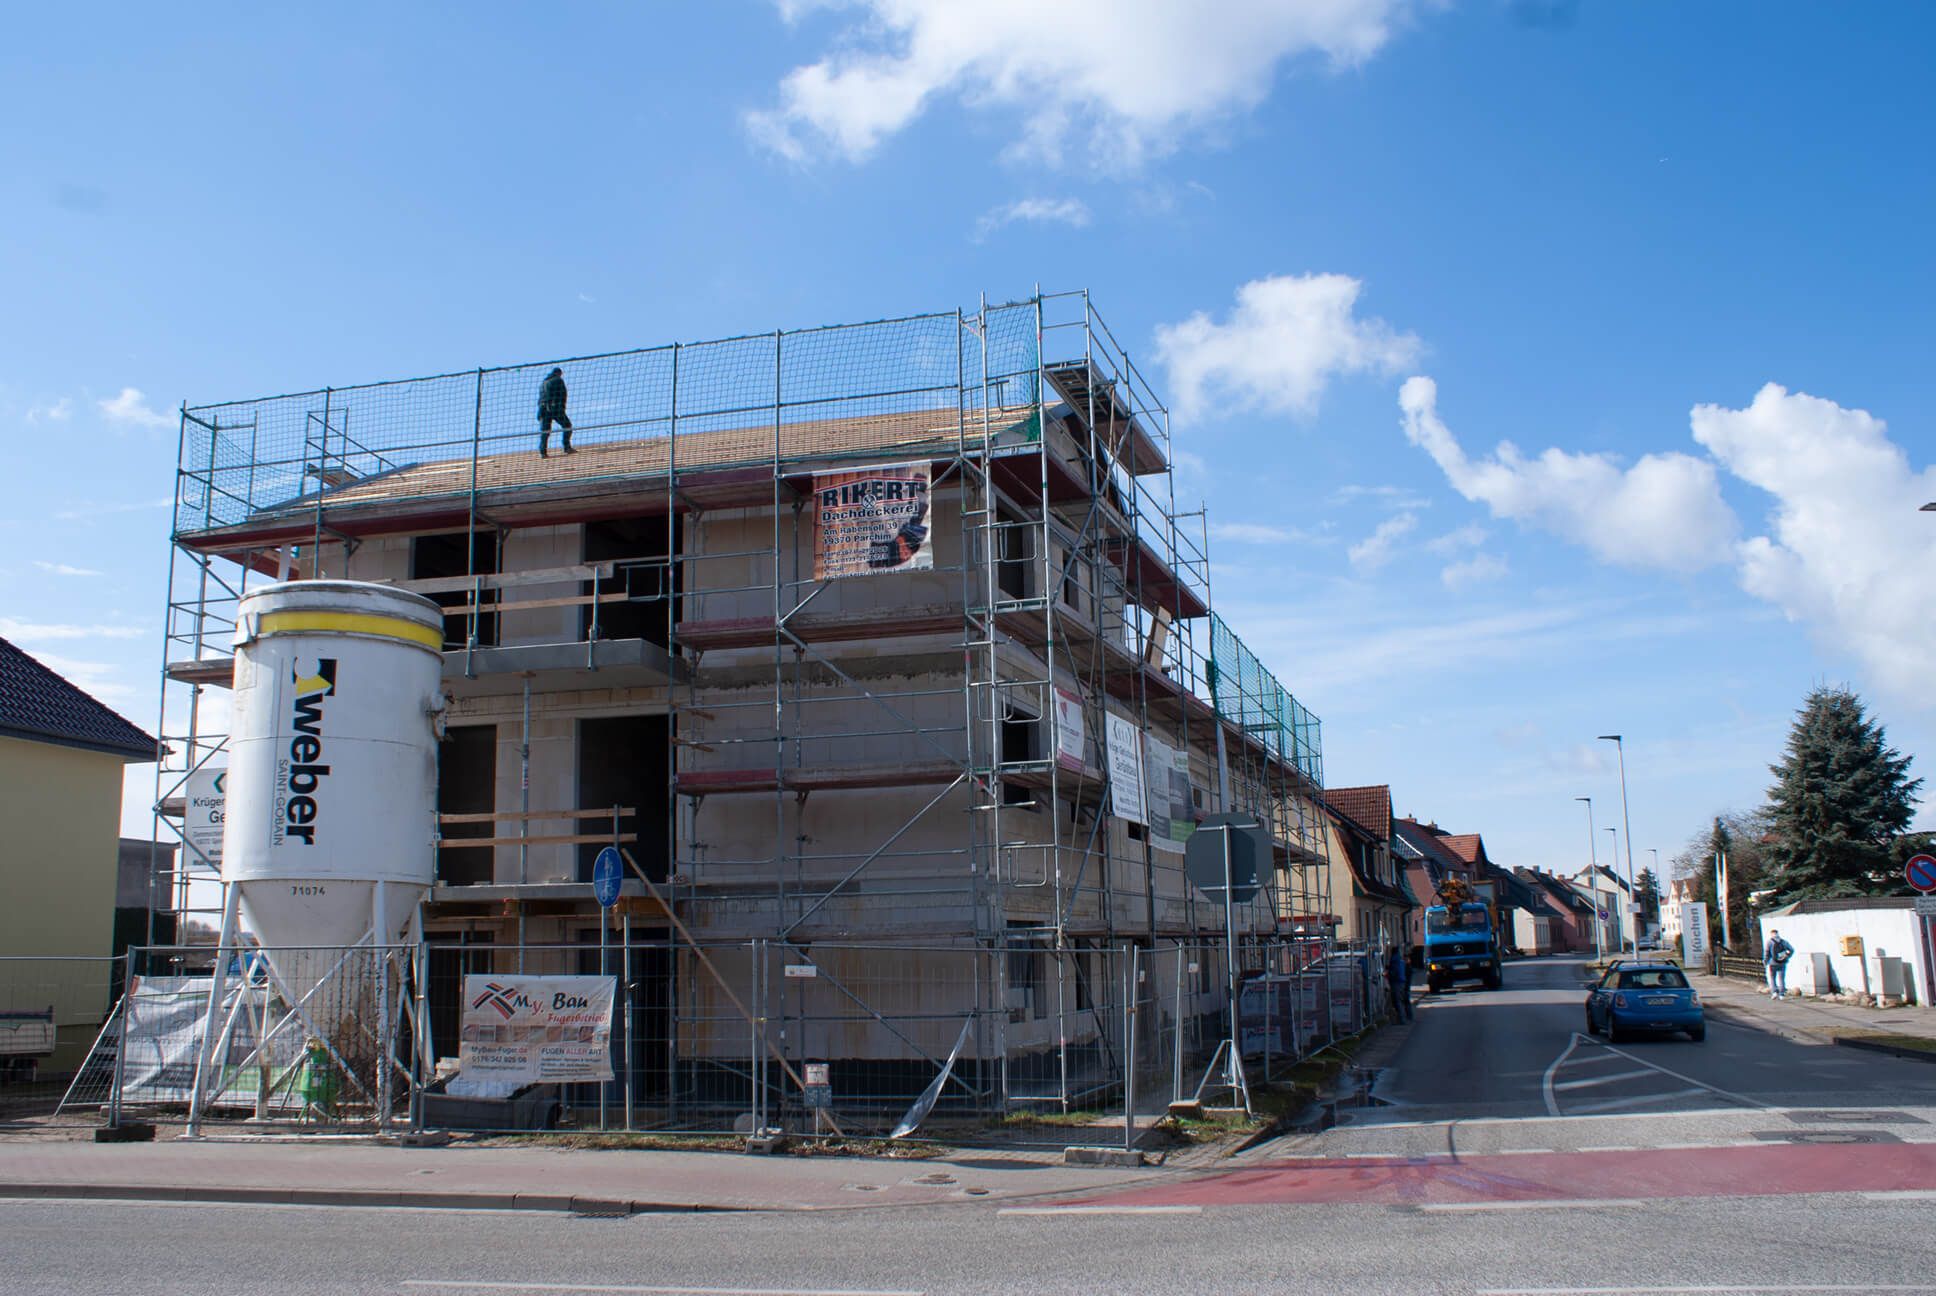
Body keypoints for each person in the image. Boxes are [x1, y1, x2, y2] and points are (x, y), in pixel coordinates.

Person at [537, 367, 572, 457]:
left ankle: (543, 452)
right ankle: (567, 447)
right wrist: (562, 408)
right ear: (559, 373)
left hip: (543, 409)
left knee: (545, 431)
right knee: (567, 426)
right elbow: (562, 394)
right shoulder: (558, 380)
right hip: (555, 408)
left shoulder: (543, 383)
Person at [1387, 940, 1412, 1023]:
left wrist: (1387, 974)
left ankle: (1401, 1019)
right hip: (1402, 982)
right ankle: (1406, 1017)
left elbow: (1394, 972)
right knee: (1401, 1001)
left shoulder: (1394, 960)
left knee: (1397, 1001)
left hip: (1397, 983)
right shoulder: (1400, 960)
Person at [1764, 928, 1793, 999]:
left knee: (1773, 978)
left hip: (1772, 963)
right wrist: (1787, 956)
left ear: (1771, 934)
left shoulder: (1769, 942)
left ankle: (1774, 992)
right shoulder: (1783, 941)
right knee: (1781, 979)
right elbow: (1791, 950)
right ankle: (1782, 994)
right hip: (1782, 963)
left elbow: (1767, 952)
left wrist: (1765, 961)